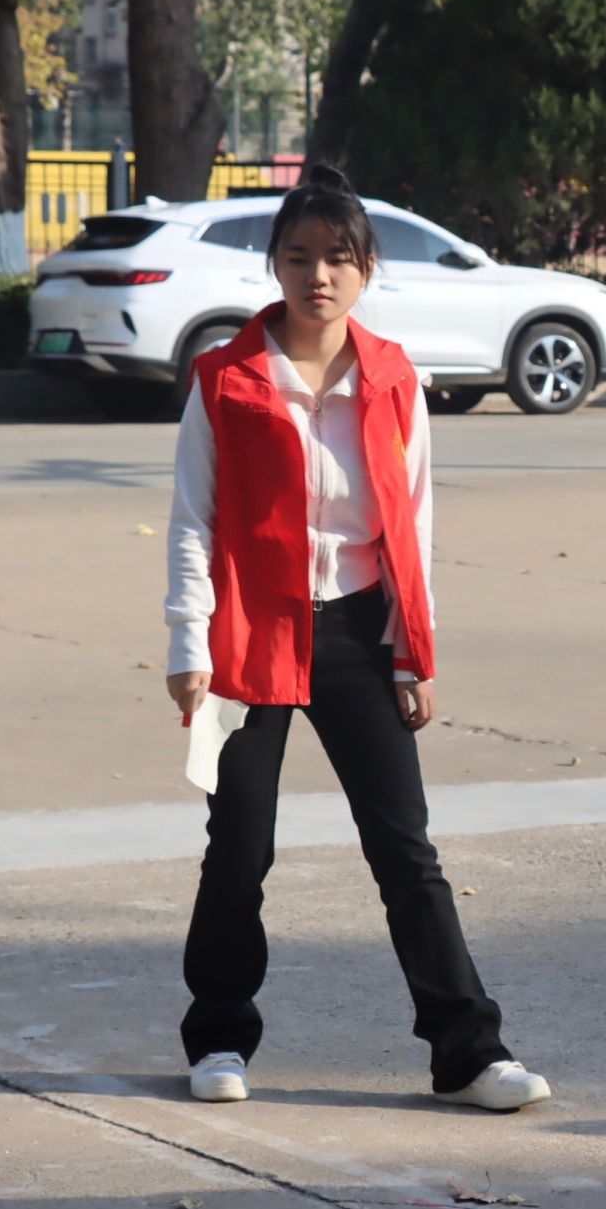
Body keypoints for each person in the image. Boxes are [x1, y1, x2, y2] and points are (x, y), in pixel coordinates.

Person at [162, 163, 549, 1113]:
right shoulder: (225, 379)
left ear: (367, 269)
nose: (319, 275)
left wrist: (415, 648)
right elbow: (192, 520)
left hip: (360, 631)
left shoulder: (392, 378)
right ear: (274, 265)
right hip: (249, 636)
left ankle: (470, 1052)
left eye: (338, 257)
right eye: (299, 257)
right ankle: (219, 1039)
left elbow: (411, 521)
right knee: (238, 848)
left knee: (405, 850)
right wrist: (187, 643)